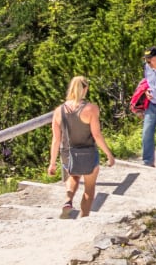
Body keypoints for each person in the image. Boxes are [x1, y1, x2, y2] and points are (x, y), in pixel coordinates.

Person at [47, 76, 113, 219]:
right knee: (89, 189)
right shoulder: (91, 109)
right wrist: (109, 154)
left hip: (67, 153)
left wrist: (52, 163)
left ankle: (68, 200)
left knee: (73, 176)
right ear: (85, 89)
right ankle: (84, 218)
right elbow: (96, 135)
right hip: (88, 152)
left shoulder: (59, 111)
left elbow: (56, 139)